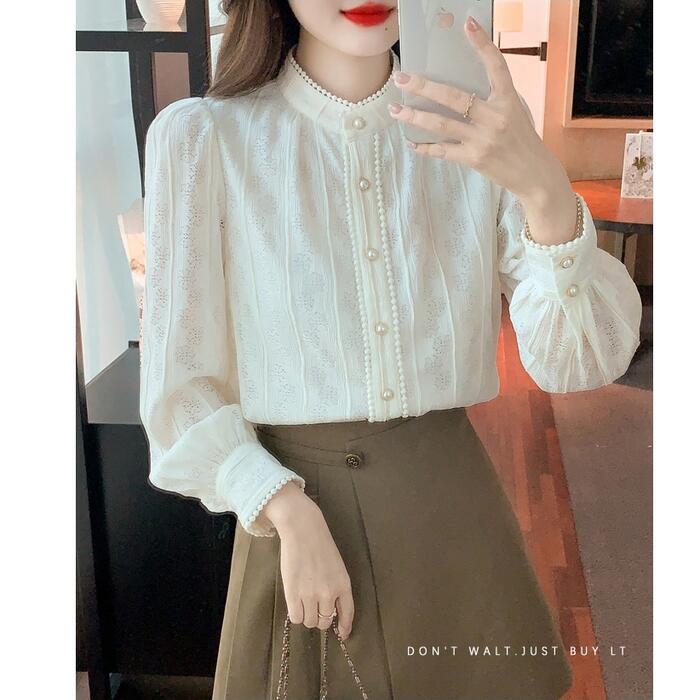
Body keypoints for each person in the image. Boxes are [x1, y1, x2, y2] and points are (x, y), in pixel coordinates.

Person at [138, 2, 642, 698]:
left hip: (454, 512)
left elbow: (577, 360)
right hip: (300, 519)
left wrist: (544, 189)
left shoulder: (479, 134)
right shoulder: (205, 138)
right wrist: (283, 506)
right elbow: (180, 392)